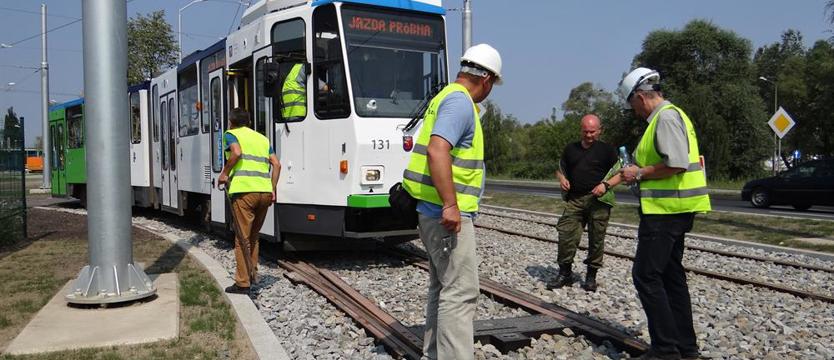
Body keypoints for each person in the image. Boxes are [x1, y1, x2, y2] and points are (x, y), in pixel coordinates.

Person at [402, 43, 502, 360]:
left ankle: (434, 353)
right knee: (460, 292)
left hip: (431, 211)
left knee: (443, 287)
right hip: (443, 214)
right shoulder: (459, 103)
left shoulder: (445, 96)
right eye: (493, 85)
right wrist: (451, 204)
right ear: (486, 79)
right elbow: (437, 150)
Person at [617, 67, 711, 360]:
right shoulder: (671, 115)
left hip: (666, 212)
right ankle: (686, 348)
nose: (633, 111)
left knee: (645, 275)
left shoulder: (666, 118)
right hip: (674, 209)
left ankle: (665, 349)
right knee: (671, 277)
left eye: (631, 105)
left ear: (640, 97)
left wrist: (638, 172)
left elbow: (677, 163)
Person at [549, 114, 618, 292]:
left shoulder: (608, 150)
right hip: (575, 200)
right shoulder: (570, 149)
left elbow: (621, 173)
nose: (589, 135)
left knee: (597, 239)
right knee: (566, 235)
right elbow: (559, 169)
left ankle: (591, 276)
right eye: (586, 131)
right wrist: (562, 178)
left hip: (599, 201)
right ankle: (565, 273)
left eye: (593, 132)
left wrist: (605, 185)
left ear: (599, 130)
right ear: (581, 130)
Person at [218, 108, 281, 295]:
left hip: (244, 192)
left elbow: (235, 152)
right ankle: (252, 274)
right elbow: (276, 164)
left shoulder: (230, 134)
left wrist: (224, 173)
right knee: (254, 237)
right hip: (264, 192)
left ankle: (242, 283)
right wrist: (272, 188)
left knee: (242, 239)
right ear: (249, 122)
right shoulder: (262, 139)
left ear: (231, 121)